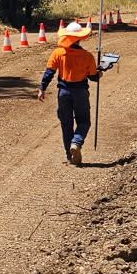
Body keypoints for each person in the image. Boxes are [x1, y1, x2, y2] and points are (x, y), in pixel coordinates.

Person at [37, 21, 107, 166]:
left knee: (66, 124)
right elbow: (93, 77)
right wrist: (99, 73)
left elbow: (49, 72)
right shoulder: (87, 56)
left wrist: (42, 88)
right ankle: (76, 142)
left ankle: (70, 155)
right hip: (80, 92)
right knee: (84, 121)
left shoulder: (58, 52)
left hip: (64, 93)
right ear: (79, 38)